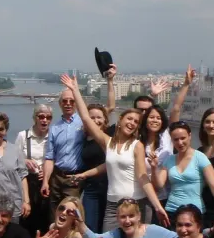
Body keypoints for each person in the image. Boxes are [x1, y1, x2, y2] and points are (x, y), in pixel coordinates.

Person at [60, 74, 166, 230]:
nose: (132, 123)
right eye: (129, 119)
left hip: (135, 203)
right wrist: (75, 90)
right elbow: (86, 119)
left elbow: (143, 178)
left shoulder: (137, 146)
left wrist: (157, 206)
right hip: (113, 205)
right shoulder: (108, 143)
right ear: (121, 119)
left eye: (136, 122)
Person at [150, 121, 214, 227]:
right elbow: (159, 185)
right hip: (172, 212)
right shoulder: (169, 160)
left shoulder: (200, 158)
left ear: (189, 136)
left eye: (183, 138)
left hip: (194, 213)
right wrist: (154, 168)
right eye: (176, 140)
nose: (180, 143)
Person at [139, 65, 195, 223]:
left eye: (158, 118)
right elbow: (135, 116)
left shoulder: (167, 136)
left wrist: (186, 84)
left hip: (165, 197)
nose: (154, 120)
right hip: (142, 196)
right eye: (151, 118)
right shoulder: (138, 140)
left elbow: (176, 109)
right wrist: (151, 95)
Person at [41, 86, 86, 219]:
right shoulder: (54, 127)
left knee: (71, 215)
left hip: (73, 178)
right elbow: (49, 157)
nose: (68, 104)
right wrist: (45, 181)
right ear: (60, 104)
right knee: (54, 214)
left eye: (71, 101)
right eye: (64, 101)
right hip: (56, 177)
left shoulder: (84, 123)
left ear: (76, 103)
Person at [14, 104, 52, 238]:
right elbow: (14, 159)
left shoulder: (52, 136)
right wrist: (25, 160)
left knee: (46, 221)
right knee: (28, 219)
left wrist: (47, 172)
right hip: (28, 183)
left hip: (46, 182)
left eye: (48, 117)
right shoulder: (23, 136)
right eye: (41, 116)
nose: (44, 120)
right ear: (35, 118)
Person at [72, 103, 111, 233]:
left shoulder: (110, 135)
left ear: (105, 119)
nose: (96, 121)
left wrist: (110, 82)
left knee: (107, 227)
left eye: (99, 117)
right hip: (91, 189)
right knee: (89, 227)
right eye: (92, 117)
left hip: (110, 188)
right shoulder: (83, 138)